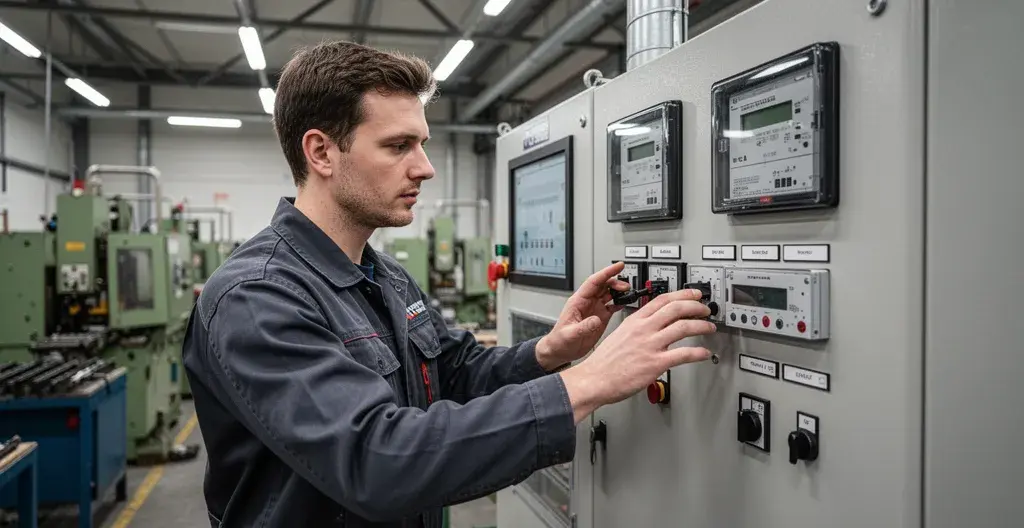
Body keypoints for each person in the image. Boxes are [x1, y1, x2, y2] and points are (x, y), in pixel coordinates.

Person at [181, 41, 718, 528]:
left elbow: (453, 374)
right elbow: (373, 461)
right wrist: (588, 382)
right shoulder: (256, 295)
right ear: (321, 152)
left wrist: (551, 351)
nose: (425, 168)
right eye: (398, 146)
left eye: (423, 143)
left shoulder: (385, 276)